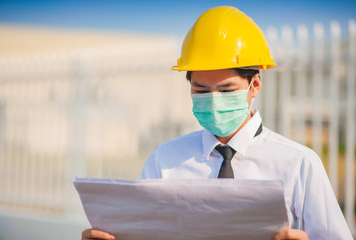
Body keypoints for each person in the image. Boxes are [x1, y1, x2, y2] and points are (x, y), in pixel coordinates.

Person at [82, 6, 353, 240]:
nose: (212, 100)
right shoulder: (163, 160)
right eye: (201, 91)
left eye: (225, 91)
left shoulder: (299, 164)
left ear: (255, 85)